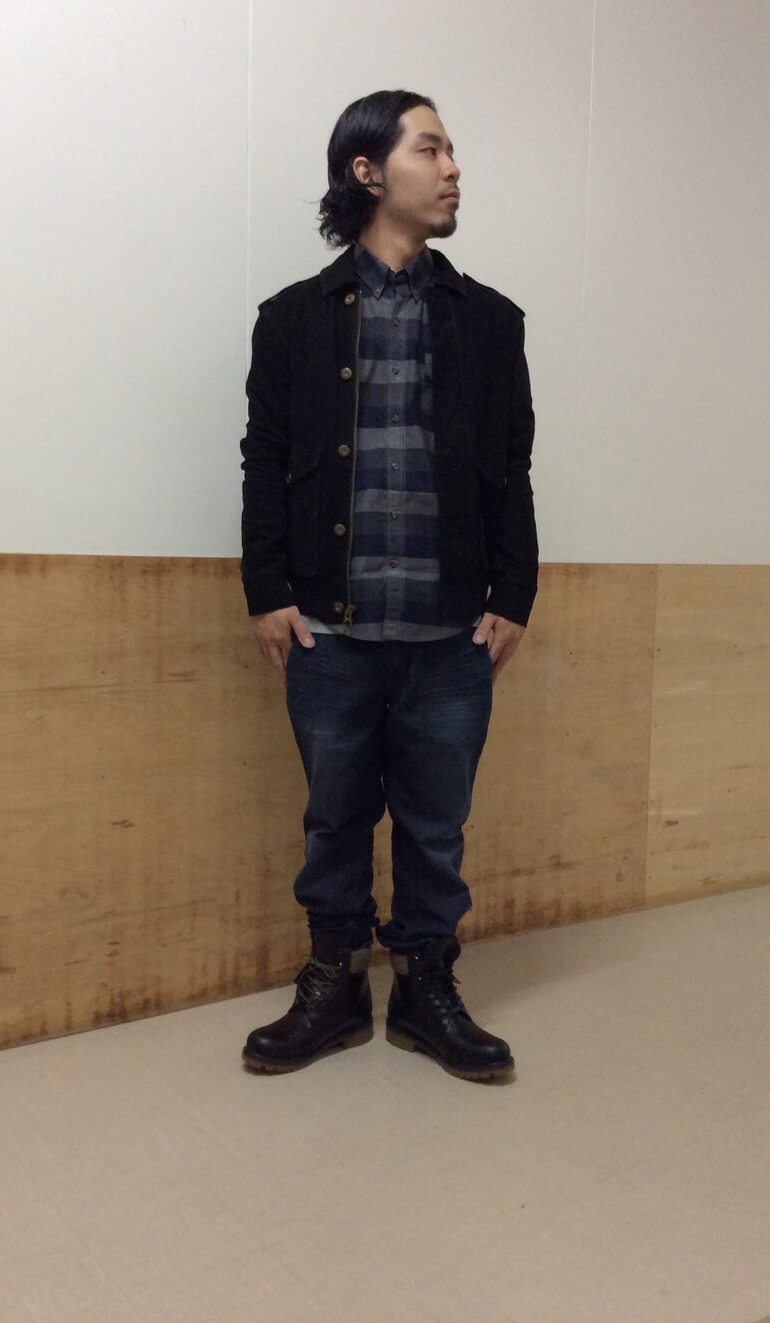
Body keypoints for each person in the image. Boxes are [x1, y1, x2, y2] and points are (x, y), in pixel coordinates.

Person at [239, 90, 537, 1081]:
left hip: (450, 634)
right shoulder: (292, 319)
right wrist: (266, 589)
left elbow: (513, 465)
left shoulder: (490, 322)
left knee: (435, 827)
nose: (453, 169)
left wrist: (514, 593)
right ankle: (332, 986)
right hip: (329, 630)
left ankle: (424, 986)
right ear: (368, 170)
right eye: (431, 148)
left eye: (451, 151)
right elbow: (264, 457)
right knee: (333, 820)